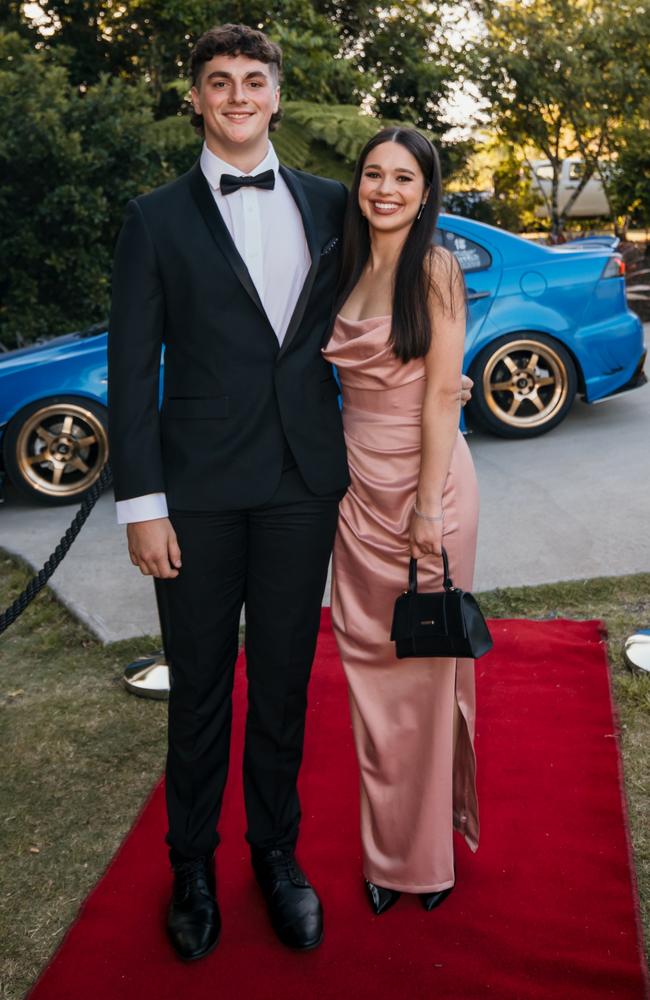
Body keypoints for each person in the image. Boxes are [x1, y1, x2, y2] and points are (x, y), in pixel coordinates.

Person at [109, 23, 473, 960]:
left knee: (279, 685)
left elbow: (403, 306)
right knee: (199, 689)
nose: (237, 96)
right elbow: (128, 370)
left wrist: (447, 391)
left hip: (308, 490)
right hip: (192, 496)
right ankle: (191, 862)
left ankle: (277, 853)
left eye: (254, 80)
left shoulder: (333, 206)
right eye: (219, 82)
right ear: (195, 97)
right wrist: (139, 504)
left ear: (276, 95)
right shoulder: (153, 219)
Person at [323, 127, 480, 916]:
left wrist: (424, 507)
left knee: (423, 675)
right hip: (357, 494)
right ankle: (386, 848)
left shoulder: (435, 268)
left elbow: (442, 395)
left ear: (426, 192)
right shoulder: (345, 263)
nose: (385, 188)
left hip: (428, 490)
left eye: (404, 178)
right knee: (369, 674)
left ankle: (424, 860)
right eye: (373, 174)